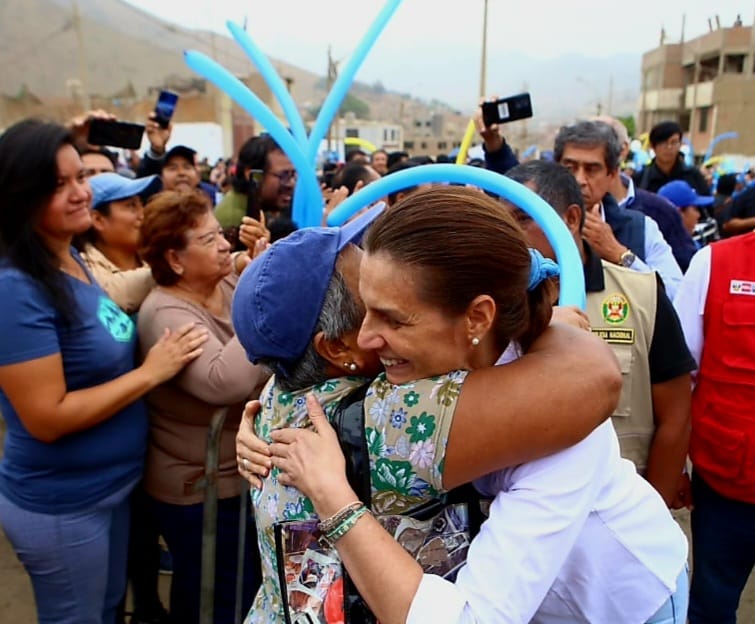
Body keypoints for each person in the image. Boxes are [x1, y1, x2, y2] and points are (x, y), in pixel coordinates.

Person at [259, 186, 689, 624]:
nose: (366, 339)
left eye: (393, 318)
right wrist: (261, 423)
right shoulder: (436, 362)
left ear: (478, 319)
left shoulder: (556, 423)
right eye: (364, 310)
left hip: (618, 604)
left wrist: (335, 500)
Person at [0, 119, 207, 624]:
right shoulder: (14, 287)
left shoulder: (68, 257)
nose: (80, 194)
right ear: (19, 194)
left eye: (80, 178)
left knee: (108, 608)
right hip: (64, 505)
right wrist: (151, 373)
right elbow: (46, 417)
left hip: (110, 490)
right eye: (59, 185)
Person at [506, 160, 696, 507]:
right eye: (499, 221)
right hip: (530, 515)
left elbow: (676, 417)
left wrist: (651, 512)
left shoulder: (641, 295)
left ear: (571, 219)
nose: (507, 233)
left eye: (521, 219)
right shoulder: (490, 305)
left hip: (620, 509)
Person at [137, 188, 269, 624]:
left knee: (238, 588)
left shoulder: (225, 283)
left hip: (236, 480)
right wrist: (264, 294)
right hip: (198, 489)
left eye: (220, 235)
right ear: (175, 260)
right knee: (209, 596)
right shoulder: (167, 314)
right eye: (209, 240)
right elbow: (224, 380)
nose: (224, 246)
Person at [672, 230, 755, 624]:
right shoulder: (713, 263)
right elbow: (680, 378)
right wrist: (674, 467)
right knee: (711, 606)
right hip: (726, 484)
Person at [554, 120, 683, 298]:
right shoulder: (533, 224)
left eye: (591, 169)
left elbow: (677, 295)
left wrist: (619, 254)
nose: (579, 180)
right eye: (570, 168)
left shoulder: (642, 228)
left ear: (612, 175)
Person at [594, 115, 697, 273]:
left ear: (623, 150)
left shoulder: (659, 212)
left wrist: (622, 257)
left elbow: (681, 284)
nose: (581, 177)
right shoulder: (559, 215)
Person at [80, 172, 160, 314]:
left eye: (141, 204)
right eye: (131, 206)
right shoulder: (80, 266)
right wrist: (167, 271)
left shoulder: (156, 253)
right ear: (98, 220)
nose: (142, 215)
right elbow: (107, 295)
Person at [215, 135, 297, 235]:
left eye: (293, 175)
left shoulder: (258, 208)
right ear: (252, 175)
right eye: (284, 176)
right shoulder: (236, 223)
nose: (291, 184)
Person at [634, 121, 710, 196]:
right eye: (663, 143)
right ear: (653, 146)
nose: (669, 147)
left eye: (674, 142)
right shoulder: (641, 178)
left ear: (680, 144)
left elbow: (707, 204)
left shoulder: (693, 175)